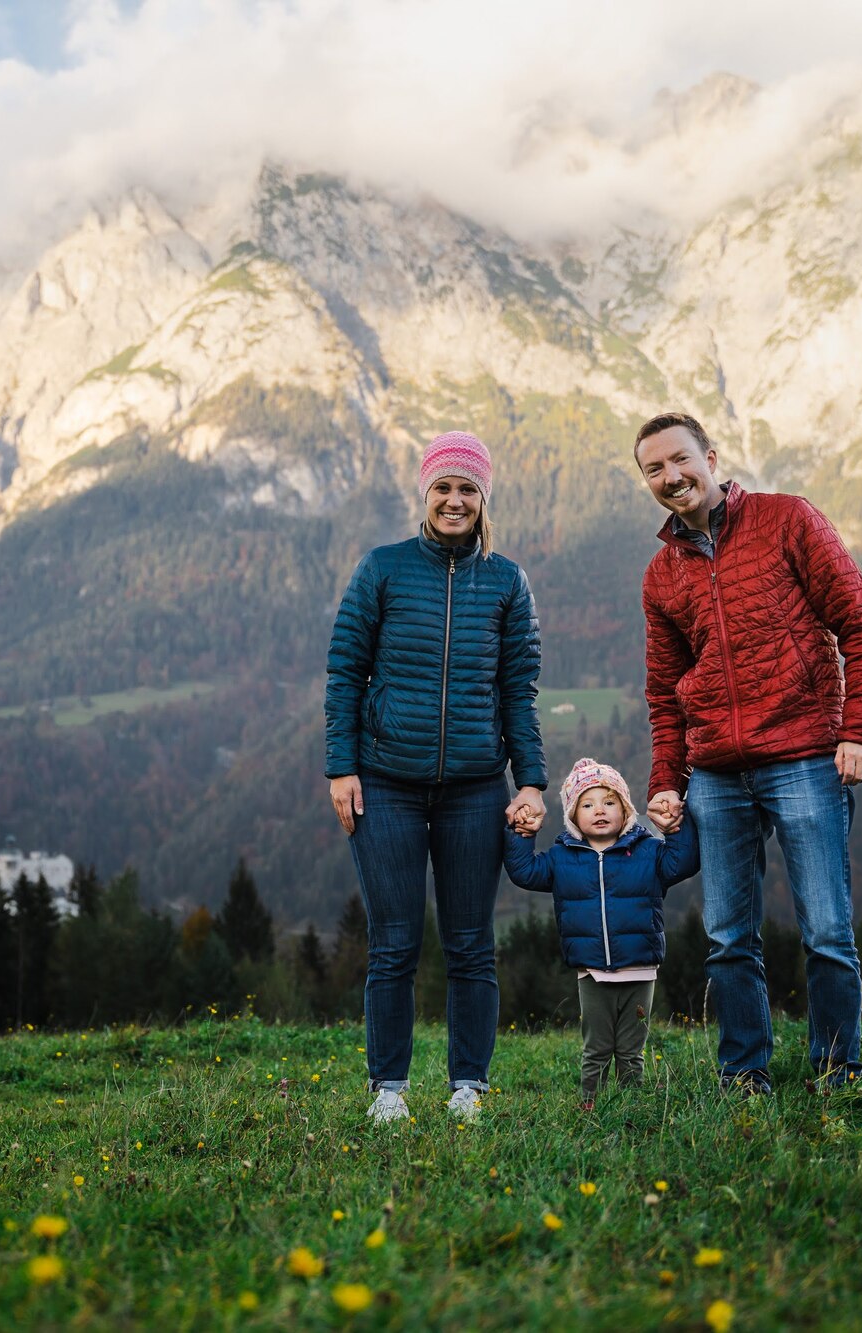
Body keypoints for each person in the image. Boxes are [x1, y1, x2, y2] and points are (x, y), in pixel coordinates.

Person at [633, 411, 862, 1094]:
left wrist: (861, 730)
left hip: (806, 755)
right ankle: (743, 1074)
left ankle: (838, 1072)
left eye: (679, 460)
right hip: (716, 773)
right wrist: (668, 779)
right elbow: (665, 693)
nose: (670, 476)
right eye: (653, 469)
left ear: (711, 458)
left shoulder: (788, 521)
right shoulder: (662, 576)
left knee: (828, 931)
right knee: (726, 938)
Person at [325, 431, 547, 1124]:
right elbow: (344, 670)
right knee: (393, 941)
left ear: (484, 500)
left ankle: (468, 1087)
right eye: (443, 488)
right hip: (385, 781)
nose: (455, 500)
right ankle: (388, 1088)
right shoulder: (383, 568)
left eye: (468, 489)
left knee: (471, 944)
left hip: (477, 788)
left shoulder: (506, 580)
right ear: (424, 494)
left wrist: (532, 781)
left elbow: (520, 689)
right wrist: (341, 766)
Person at [503, 758, 697, 1110]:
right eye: (587, 804)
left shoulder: (649, 851)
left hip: (640, 969)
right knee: (596, 1048)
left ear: (626, 810)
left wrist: (675, 829)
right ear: (573, 816)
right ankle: (590, 1106)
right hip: (591, 971)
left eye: (610, 802)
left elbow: (683, 862)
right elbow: (525, 872)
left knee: (630, 1049)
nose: (600, 811)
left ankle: (631, 1108)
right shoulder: (564, 857)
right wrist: (523, 835)